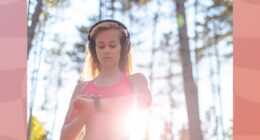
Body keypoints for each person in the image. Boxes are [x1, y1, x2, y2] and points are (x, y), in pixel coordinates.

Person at [60, 19, 152, 140]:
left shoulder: (135, 80)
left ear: (123, 48)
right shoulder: (81, 88)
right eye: (101, 46)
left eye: (112, 45)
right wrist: (83, 115)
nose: (106, 50)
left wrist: (95, 105)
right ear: (94, 50)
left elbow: (144, 100)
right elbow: (64, 137)